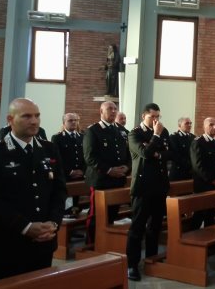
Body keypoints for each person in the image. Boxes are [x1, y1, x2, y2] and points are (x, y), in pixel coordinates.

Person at [0, 98, 67, 282]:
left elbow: (59, 191)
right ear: (10, 119)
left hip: (44, 241)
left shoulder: (49, 149)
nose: (34, 121)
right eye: (26, 116)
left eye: (37, 116)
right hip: (7, 244)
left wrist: (53, 224)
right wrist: (25, 227)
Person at [126, 103, 171, 281]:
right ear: (143, 116)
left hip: (159, 186)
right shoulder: (134, 133)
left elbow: (170, 153)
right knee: (137, 227)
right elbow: (145, 153)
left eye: (158, 116)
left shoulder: (164, 131)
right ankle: (132, 265)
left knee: (155, 226)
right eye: (152, 117)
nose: (156, 120)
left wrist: (159, 154)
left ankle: (152, 260)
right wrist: (156, 136)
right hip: (143, 187)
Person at [83, 101, 130, 244]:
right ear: (101, 111)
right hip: (100, 179)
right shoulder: (93, 130)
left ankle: (105, 242)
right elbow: (89, 157)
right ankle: (91, 243)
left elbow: (128, 154)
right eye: (110, 108)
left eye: (115, 109)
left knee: (112, 213)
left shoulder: (121, 130)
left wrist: (127, 168)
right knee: (96, 214)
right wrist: (109, 170)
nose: (113, 111)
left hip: (117, 179)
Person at [190, 117, 215, 228]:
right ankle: (192, 239)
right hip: (203, 185)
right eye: (211, 125)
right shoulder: (198, 142)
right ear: (204, 126)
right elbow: (198, 166)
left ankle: (209, 241)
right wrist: (212, 180)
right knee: (199, 214)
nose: (214, 127)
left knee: (211, 215)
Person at [51, 113, 85, 217]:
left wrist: (82, 170)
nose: (74, 122)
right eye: (70, 120)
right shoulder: (57, 138)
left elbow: (86, 156)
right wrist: (70, 171)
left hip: (80, 175)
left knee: (77, 200)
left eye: (75, 120)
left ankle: (75, 213)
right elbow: (57, 158)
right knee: (67, 202)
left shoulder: (83, 137)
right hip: (66, 175)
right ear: (64, 123)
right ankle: (67, 216)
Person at [168, 117, 194, 181]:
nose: (190, 125)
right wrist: (190, 165)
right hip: (178, 173)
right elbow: (176, 155)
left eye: (190, 123)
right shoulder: (174, 137)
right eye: (187, 123)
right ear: (179, 126)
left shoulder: (193, 137)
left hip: (190, 173)